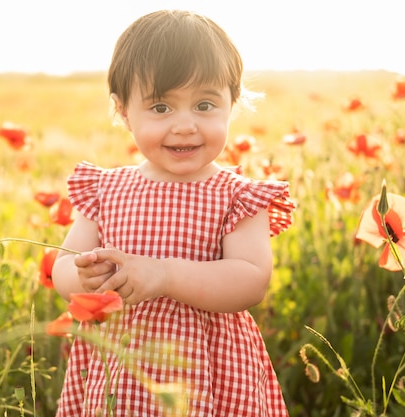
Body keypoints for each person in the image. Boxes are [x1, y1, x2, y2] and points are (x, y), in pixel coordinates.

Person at [51, 9, 295, 417]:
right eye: (161, 108)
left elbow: (251, 281)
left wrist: (164, 275)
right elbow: (62, 270)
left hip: (210, 371)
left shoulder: (238, 197)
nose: (185, 125)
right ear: (123, 111)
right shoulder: (105, 190)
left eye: (204, 104)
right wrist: (85, 274)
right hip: (119, 370)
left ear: (231, 106)